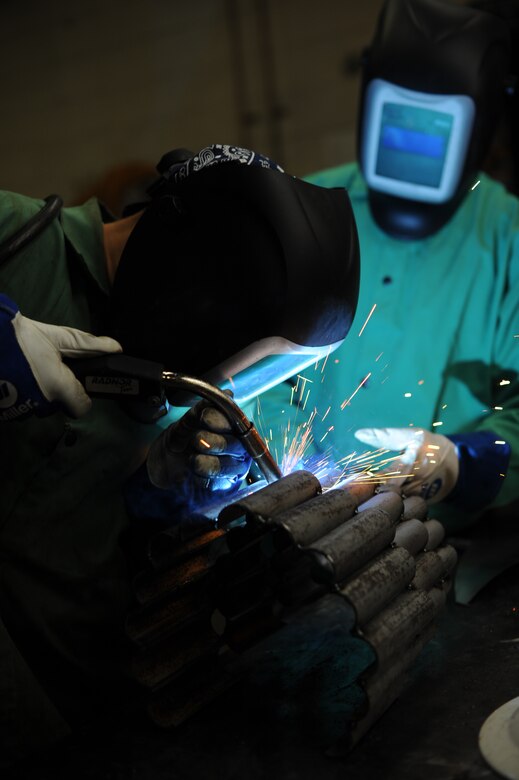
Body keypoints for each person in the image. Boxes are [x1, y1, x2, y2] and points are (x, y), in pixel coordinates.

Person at [0, 143, 360, 765]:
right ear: (191, 283)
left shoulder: (171, 358)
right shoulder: (14, 241)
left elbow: (93, 521)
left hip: (88, 723)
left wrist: (162, 490)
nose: (227, 388)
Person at [260, 0, 519, 542]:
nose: (408, 152)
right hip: (302, 529)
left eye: (432, 134)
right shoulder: (308, 210)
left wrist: (462, 463)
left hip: (454, 545)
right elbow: (259, 381)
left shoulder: (507, 235)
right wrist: (284, 464)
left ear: (480, 128)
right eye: (396, 123)